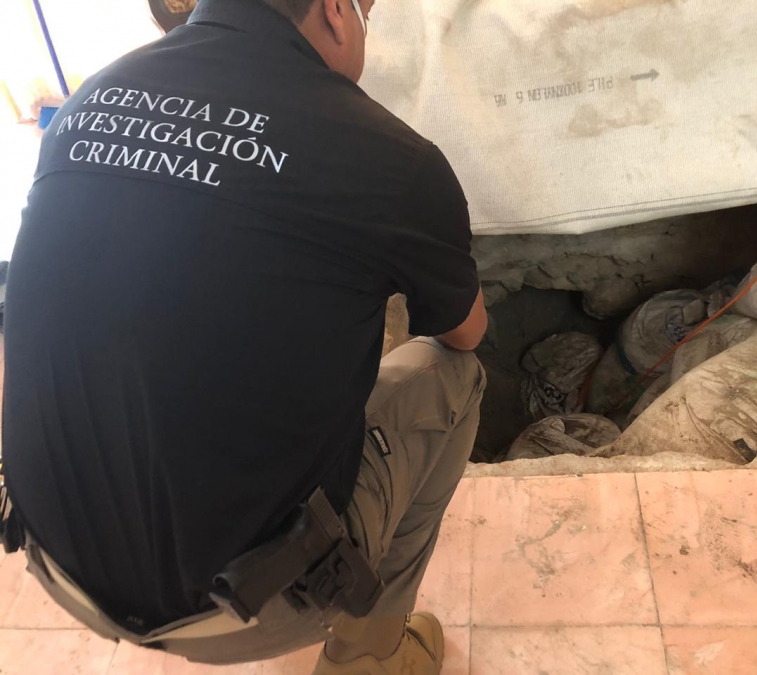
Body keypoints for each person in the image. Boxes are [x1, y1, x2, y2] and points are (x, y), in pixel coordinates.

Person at [1, 0, 486, 672]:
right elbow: (465, 332)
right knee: (456, 378)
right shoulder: (392, 156)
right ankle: (371, 652)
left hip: (51, 560)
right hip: (242, 606)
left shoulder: (91, 99)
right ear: (336, 11)